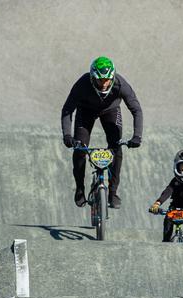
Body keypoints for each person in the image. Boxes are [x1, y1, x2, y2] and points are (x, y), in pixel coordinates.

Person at [61, 56, 143, 209]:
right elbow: (67, 110)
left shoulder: (120, 84)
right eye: (100, 80)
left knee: (116, 147)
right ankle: (80, 188)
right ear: (92, 78)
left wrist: (137, 136)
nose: (104, 84)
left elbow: (136, 110)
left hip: (111, 111)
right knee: (79, 148)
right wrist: (67, 135)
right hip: (85, 111)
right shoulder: (82, 84)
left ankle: (112, 193)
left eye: (107, 80)